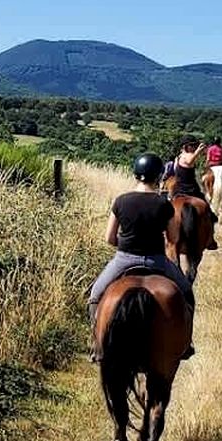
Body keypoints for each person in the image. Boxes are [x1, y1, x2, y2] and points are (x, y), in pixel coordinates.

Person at [88, 153, 195, 361]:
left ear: (136, 174)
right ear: (158, 176)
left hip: (124, 259)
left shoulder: (120, 201)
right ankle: (187, 342)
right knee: (187, 292)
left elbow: (109, 238)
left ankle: (98, 343)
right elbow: (173, 238)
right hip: (157, 260)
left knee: (95, 295)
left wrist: (127, 243)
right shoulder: (164, 204)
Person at [171, 136, 221, 248]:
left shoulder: (178, 157)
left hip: (178, 190)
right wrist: (198, 151)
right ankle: (210, 238)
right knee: (209, 211)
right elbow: (189, 162)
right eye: (192, 145)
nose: (194, 147)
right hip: (190, 189)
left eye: (194, 145)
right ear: (185, 147)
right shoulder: (187, 156)